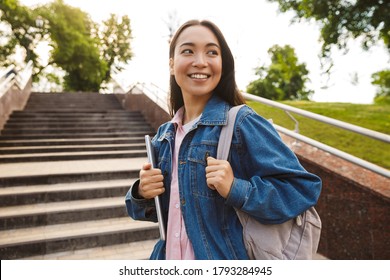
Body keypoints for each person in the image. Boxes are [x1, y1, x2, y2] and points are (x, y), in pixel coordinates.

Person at [125, 19, 322, 260]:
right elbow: (170, 210)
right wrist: (142, 193)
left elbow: (302, 189)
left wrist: (236, 188)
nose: (200, 61)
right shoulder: (165, 135)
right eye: (188, 51)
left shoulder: (241, 123)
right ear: (171, 64)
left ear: (222, 63)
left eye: (212, 52)